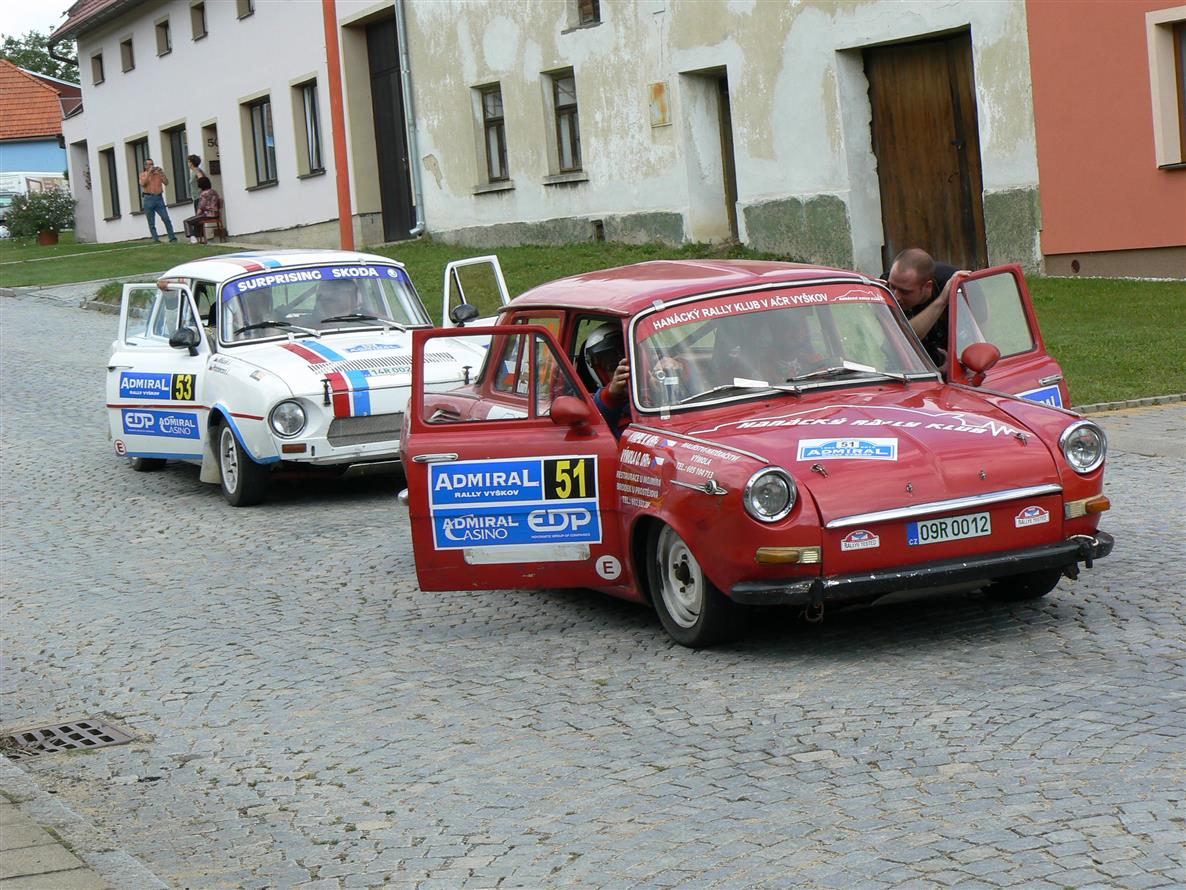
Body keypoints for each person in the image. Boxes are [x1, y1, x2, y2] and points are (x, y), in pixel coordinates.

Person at [885, 248, 966, 365]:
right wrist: (942, 300)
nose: (895, 296)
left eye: (905, 292)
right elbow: (900, 339)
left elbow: (978, 330)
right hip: (903, 364)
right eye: (892, 286)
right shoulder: (884, 287)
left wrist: (957, 363)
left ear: (928, 286)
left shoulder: (955, 283)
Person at [138, 158, 177, 243]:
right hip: (148, 198)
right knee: (151, 221)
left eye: (152, 164)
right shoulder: (143, 174)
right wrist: (149, 173)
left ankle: (172, 238)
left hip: (159, 198)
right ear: (145, 166)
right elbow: (143, 183)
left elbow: (166, 182)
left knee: (166, 218)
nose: (151, 166)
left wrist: (162, 173)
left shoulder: (158, 174)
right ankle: (155, 239)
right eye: (149, 164)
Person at [183, 176, 222, 243]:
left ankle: (193, 237)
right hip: (216, 214)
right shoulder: (214, 192)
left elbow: (201, 206)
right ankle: (199, 237)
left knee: (187, 221)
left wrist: (197, 215)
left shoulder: (203, 194)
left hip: (207, 215)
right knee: (196, 221)